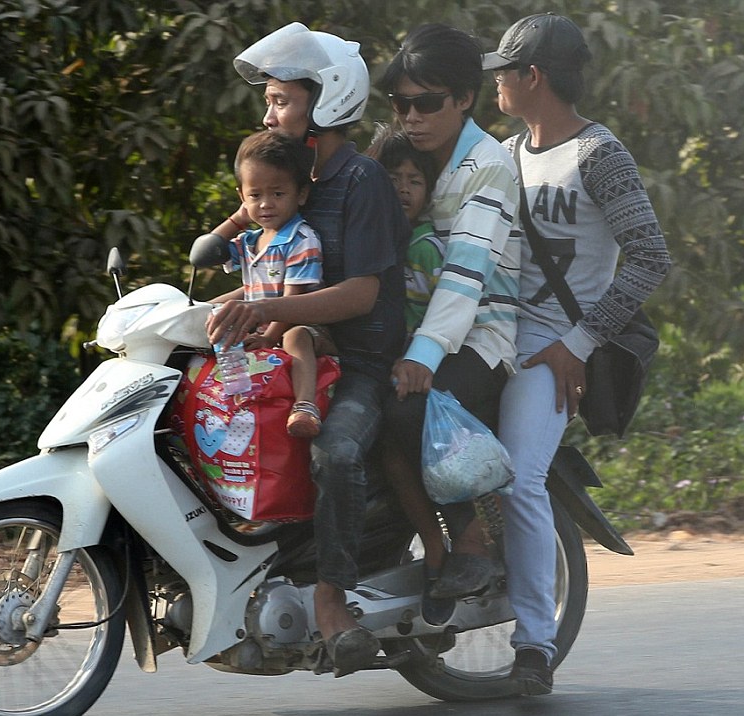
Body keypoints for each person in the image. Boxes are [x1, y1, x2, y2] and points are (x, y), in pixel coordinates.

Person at [207, 23, 410, 677]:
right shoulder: (292, 182)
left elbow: (358, 296)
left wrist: (267, 310)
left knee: (337, 448)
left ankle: (330, 601)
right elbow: (252, 250)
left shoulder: (362, 182)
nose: (269, 113)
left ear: (325, 102)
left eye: (280, 101)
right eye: (269, 101)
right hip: (296, 355)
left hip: (358, 363)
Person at [482, 13, 671, 694]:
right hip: (492, 336)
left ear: (532, 77)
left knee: (520, 477)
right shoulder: (506, 154)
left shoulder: (599, 155)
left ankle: (534, 646)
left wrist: (579, 345)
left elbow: (651, 257)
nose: (495, 82)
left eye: (503, 70)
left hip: (551, 347)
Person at [377, 24, 521, 626]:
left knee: (409, 408)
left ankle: (470, 541)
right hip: (410, 328)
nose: (411, 116)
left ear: (464, 98)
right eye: (401, 103)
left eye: (427, 102)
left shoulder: (485, 165)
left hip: (483, 334)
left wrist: (424, 357)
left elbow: (465, 275)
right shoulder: (403, 160)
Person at [208, 129, 332, 438]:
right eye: (255, 195)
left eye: (277, 193)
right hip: (261, 331)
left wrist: (270, 337)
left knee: (296, 336)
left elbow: (294, 299)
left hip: (302, 327)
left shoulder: (301, 238)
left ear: (300, 194)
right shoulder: (250, 241)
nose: (266, 204)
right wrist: (239, 218)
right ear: (242, 197)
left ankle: (305, 407)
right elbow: (210, 250)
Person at [366, 126, 444, 334]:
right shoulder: (372, 239)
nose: (403, 189)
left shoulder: (427, 250)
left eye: (415, 181)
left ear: (429, 193)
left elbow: (442, 312)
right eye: (393, 179)